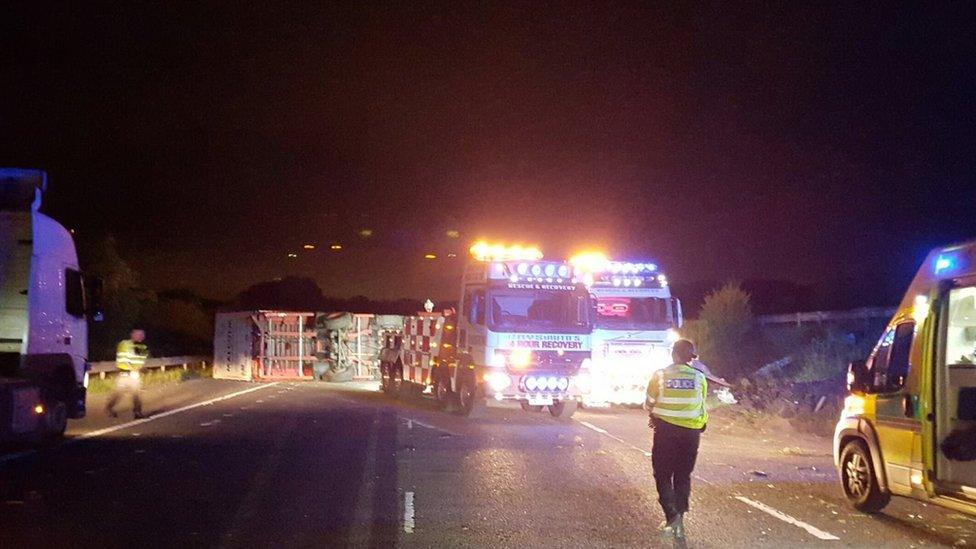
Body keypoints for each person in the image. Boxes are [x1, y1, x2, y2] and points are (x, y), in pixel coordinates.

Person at [646, 339, 708, 539]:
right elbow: (701, 406)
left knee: (663, 475)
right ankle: (679, 518)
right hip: (692, 434)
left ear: (674, 355)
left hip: (665, 432)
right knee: (683, 476)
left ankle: (672, 515)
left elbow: (649, 402)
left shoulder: (660, 375)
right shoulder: (699, 377)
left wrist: (654, 414)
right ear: (691, 358)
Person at [106, 329, 149, 419]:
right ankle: (109, 408)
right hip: (124, 373)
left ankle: (137, 412)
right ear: (132, 335)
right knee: (119, 393)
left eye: (142, 335)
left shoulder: (143, 347)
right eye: (138, 334)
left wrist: (141, 369)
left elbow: (140, 360)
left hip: (134, 374)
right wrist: (132, 369)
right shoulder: (125, 344)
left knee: (136, 394)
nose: (140, 336)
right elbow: (122, 359)